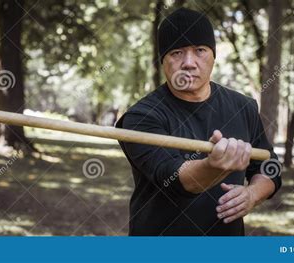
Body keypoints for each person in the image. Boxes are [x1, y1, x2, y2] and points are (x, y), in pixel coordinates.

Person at [115, 8, 281, 236]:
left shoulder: (244, 107)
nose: (189, 63)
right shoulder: (141, 117)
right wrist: (215, 165)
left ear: (213, 55)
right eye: (177, 53)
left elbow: (269, 167)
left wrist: (252, 194)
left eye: (200, 50)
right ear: (163, 61)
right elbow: (174, 180)